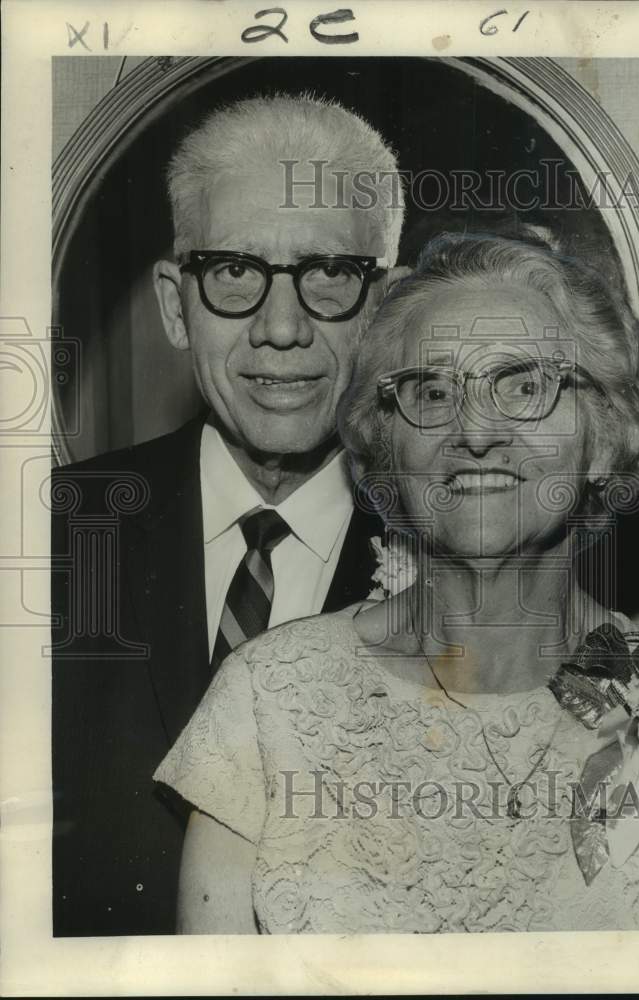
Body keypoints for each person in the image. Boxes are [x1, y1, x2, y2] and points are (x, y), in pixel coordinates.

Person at [154, 233, 639, 933]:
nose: (474, 431)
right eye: (430, 390)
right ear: (386, 446)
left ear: (604, 436)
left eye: (525, 385)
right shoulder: (268, 699)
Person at [50, 93, 405, 935]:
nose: (281, 329)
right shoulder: (45, 537)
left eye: (329, 274)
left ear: (388, 305)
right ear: (177, 305)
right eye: (235, 272)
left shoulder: (469, 576)